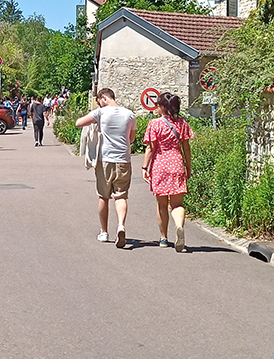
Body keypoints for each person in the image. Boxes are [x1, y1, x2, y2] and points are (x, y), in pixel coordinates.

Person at [75, 88, 136, 248]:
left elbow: (79, 123)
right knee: (121, 196)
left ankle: (104, 232)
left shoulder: (101, 113)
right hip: (124, 160)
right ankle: (121, 225)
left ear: (103, 98)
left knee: (103, 196)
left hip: (105, 160)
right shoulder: (129, 114)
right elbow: (132, 138)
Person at [141, 92, 195, 252]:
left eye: (158, 105)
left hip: (160, 166)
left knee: (162, 205)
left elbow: (151, 148)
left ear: (163, 107)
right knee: (177, 204)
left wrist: (145, 167)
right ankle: (179, 226)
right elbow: (186, 147)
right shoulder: (183, 124)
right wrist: (188, 166)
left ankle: (163, 238)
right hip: (177, 164)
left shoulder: (155, 124)